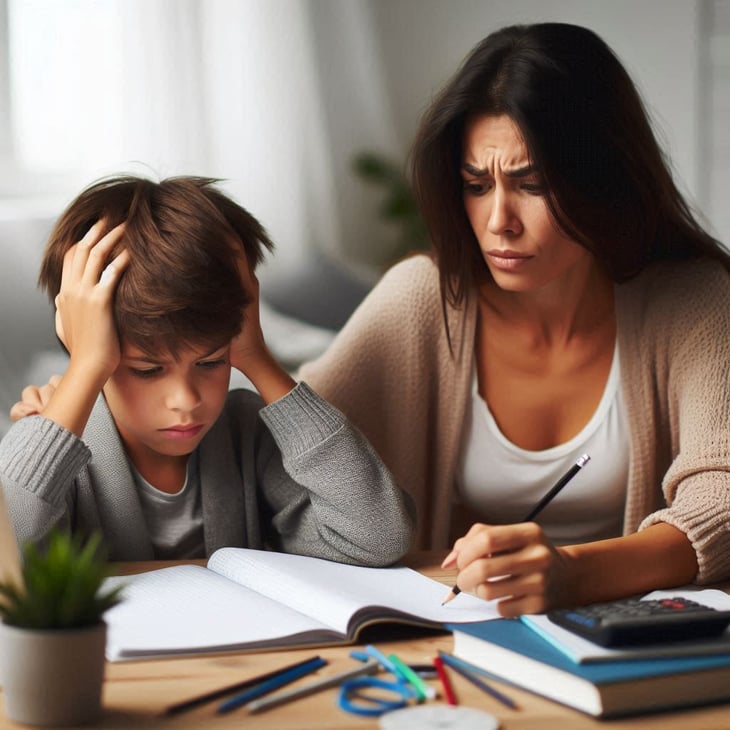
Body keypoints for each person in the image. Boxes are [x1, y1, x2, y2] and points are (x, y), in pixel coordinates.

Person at [293, 23, 730, 615]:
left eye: (533, 185)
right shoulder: (426, 298)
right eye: (476, 185)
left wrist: (573, 573)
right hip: (456, 634)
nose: (499, 220)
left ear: (604, 179)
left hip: (632, 647)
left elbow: (722, 496)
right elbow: (286, 445)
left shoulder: (696, 303)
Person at [0, 175, 415, 564]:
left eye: (210, 362)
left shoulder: (247, 435)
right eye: (147, 370)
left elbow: (379, 537)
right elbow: (8, 556)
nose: (187, 400)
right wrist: (85, 367)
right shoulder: (57, 453)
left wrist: (257, 356)